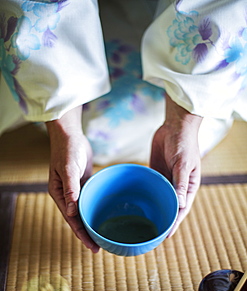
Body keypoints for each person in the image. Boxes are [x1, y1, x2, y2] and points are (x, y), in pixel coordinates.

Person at [1, 0, 246, 253]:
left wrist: (182, 124)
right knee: (92, 123)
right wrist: (64, 129)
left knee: (183, 126)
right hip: (84, 29)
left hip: (165, 23)